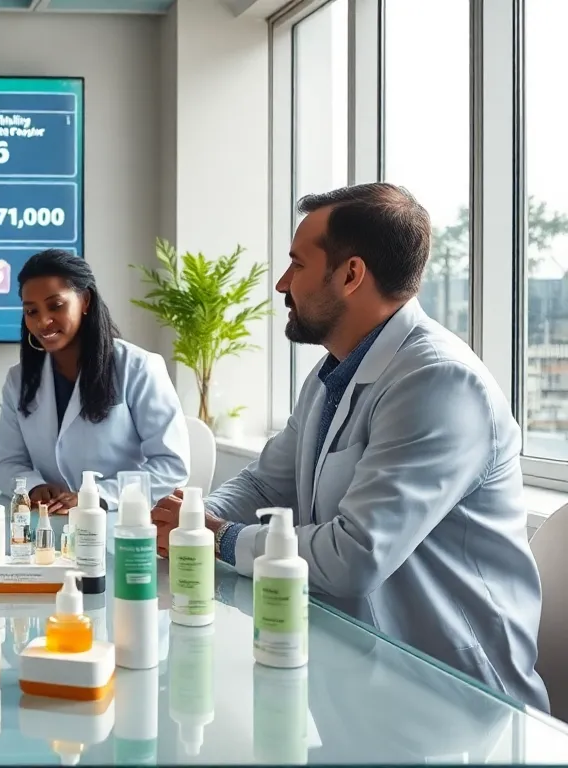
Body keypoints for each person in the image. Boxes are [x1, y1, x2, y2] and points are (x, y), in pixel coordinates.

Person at [152, 182, 547, 710]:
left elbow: (355, 556)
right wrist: (190, 519)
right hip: (362, 673)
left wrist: (218, 537)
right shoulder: (331, 373)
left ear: (351, 275)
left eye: (296, 264)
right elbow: (269, 481)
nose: (281, 284)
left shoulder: (439, 382)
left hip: (457, 702)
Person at [0, 249, 190, 511]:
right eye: (31, 311)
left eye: (56, 306)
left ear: (85, 301)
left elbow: (171, 466)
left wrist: (94, 495)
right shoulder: (19, 379)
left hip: (121, 523)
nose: (43, 321)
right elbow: (7, 463)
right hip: (52, 524)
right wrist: (34, 487)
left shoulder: (137, 367)